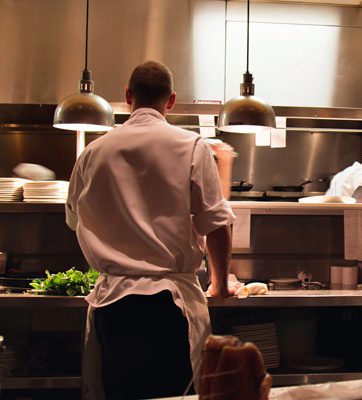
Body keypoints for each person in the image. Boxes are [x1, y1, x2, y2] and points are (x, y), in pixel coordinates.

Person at [66, 61, 235, 399]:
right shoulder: (191, 146)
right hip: (168, 306)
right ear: (170, 100)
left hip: (112, 307)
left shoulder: (92, 152)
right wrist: (219, 285)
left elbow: (74, 219)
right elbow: (216, 224)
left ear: (128, 96)